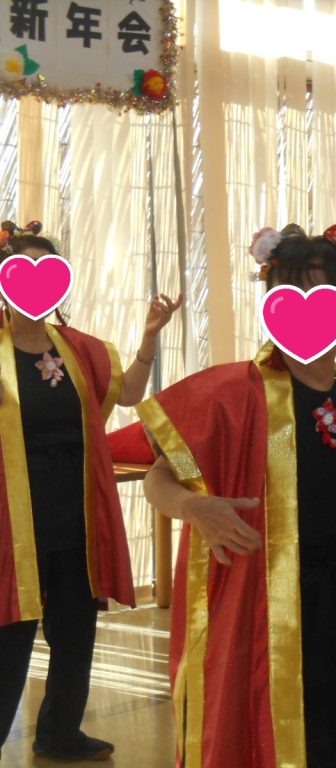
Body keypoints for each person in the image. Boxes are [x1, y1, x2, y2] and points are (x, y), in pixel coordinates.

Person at [140, 224, 336, 768]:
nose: (311, 310)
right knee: (252, 728)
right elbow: (158, 479)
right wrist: (193, 507)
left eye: (327, 296)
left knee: (331, 730)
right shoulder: (230, 394)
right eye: (295, 295)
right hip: (253, 599)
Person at [0, 221, 182, 761]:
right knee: (10, 636)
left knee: (76, 629)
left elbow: (128, 394)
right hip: (13, 521)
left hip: (75, 514)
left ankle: (60, 735)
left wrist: (149, 337)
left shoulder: (77, 348)